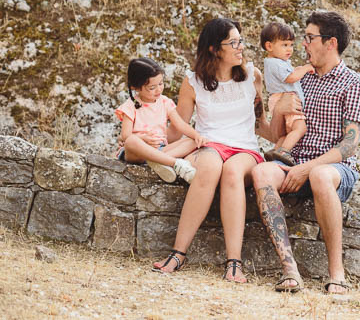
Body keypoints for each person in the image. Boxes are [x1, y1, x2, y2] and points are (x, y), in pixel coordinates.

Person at [252, 10, 360, 294]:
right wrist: (274, 107)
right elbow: (276, 135)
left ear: (330, 43)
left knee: (318, 175)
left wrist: (307, 168)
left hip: (334, 168)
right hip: (294, 161)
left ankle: (337, 274)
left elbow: (349, 145)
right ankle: (289, 270)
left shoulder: (354, 84)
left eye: (309, 38)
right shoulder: (297, 79)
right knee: (261, 170)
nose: (302, 44)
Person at [153, 18, 269, 283]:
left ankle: (234, 263)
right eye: (234, 43)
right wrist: (147, 136)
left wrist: (290, 127)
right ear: (215, 49)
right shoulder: (192, 82)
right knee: (211, 166)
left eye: (241, 41)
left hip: (245, 151)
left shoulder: (253, 75)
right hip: (209, 145)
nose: (241, 47)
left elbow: (261, 123)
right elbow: (177, 128)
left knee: (231, 171)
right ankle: (178, 253)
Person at [115, 58, 204, 184]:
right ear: (136, 87)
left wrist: (196, 135)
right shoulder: (130, 106)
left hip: (160, 149)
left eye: (161, 84)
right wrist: (143, 138)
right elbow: (125, 135)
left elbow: (180, 124)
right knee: (131, 141)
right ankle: (174, 163)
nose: (158, 90)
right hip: (137, 152)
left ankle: (158, 161)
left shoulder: (165, 102)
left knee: (192, 141)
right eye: (152, 87)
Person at [260, 22, 315, 166]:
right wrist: (305, 69)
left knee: (285, 133)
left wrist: (297, 69)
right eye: (284, 45)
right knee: (300, 128)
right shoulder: (276, 63)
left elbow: (288, 75)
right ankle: (284, 151)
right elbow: (290, 78)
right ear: (269, 46)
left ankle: (275, 150)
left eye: (291, 45)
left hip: (278, 99)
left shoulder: (274, 62)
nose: (289, 49)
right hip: (286, 100)